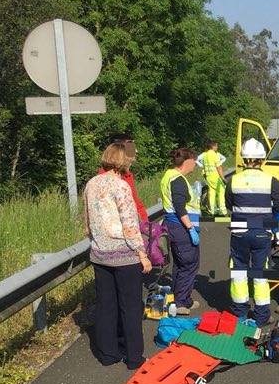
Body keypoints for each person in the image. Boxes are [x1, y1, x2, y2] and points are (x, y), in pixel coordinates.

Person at [84, 143, 151, 369]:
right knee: (130, 307)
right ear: (123, 161)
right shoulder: (121, 186)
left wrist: (96, 240)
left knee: (106, 305)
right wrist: (142, 253)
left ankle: (107, 354)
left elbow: (87, 221)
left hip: (100, 253)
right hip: (124, 254)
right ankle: (134, 358)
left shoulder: (91, 184)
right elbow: (130, 224)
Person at [226, 138, 279, 325]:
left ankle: (240, 313)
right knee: (260, 274)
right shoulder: (271, 181)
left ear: (244, 159)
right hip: (262, 232)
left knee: (239, 271)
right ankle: (261, 315)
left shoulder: (233, 180)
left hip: (239, 232)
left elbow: (229, 205)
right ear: (261, 159)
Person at [160, 147, 201, 315]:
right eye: (194, 162)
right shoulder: (178, 179)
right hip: (181, 227)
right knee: (189, 263)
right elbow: (179, 206)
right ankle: (181, 302)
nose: (195, 165)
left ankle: (183, 299)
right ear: (187, 161)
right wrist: (190, 228)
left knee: (180, 263)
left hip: (174, 226)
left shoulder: (169, 176)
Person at [196, 140, 227, 217]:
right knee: (221, 192)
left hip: (208, 177)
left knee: (211, 193)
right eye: (216, 146)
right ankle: (222, 211)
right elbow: (218, 167)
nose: (217, 147)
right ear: (212, 146)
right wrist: (223, 178)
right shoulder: (214, 154)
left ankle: (212, 210)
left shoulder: (205, 155)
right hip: (215, 177)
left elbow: (201, 163)